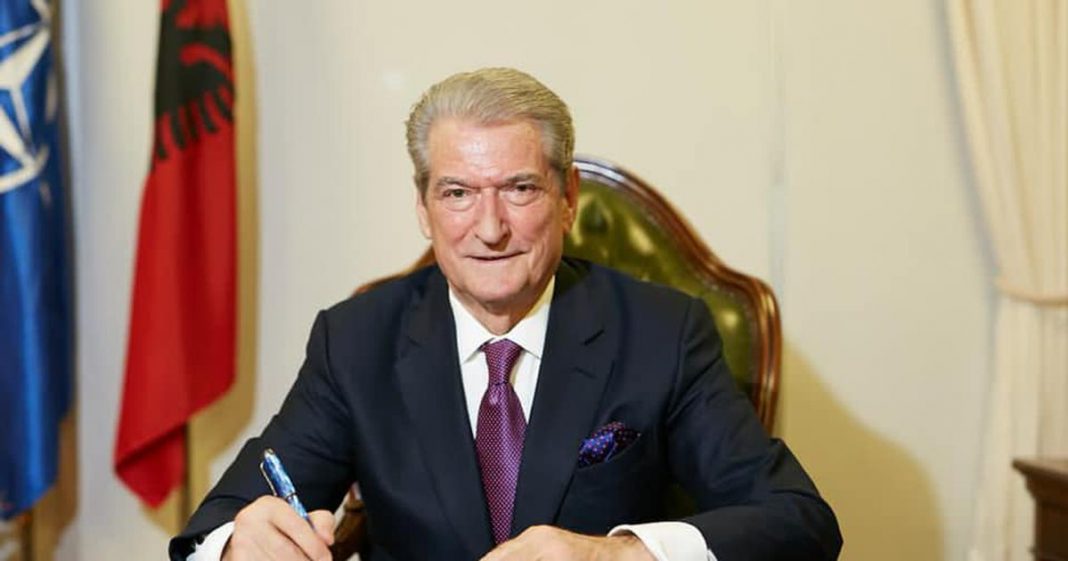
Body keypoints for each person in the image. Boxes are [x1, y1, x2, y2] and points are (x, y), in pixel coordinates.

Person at [170, 67, 842, 561]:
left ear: (567, 197)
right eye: (457, 193)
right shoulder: (356, 340)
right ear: (423, 208)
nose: (489, 229)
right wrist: (238, 545)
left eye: (519, 189)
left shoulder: (662, 333)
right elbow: (214, 525)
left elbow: (798, 520)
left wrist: (615, 555)